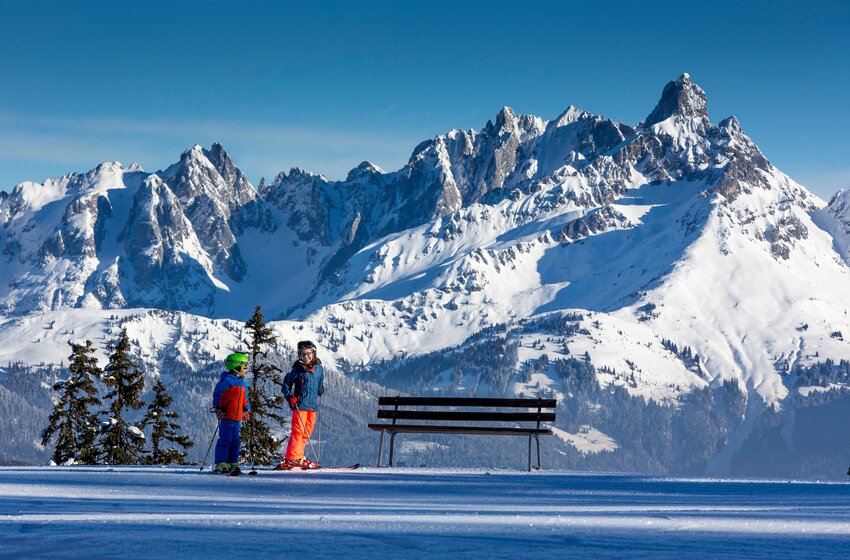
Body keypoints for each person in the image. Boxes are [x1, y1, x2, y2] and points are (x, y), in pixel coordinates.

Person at [277, 341, 324, 469]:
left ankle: (298, 457)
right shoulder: (297, 369)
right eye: (303, 354)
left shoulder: (319, 368)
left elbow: (320, 383)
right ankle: (292, 458)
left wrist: (321, 390)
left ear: (314, 353)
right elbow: (286, 385)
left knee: (306, 433)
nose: (306, 356)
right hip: (300, 405)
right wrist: (290, 397)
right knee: (298, 431)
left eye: (309, 353)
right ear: (299, 355)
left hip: (312, 406)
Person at [212, 352, 251, 475]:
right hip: (227, 416)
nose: (246, 369)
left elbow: (245, 399)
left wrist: (246, 409)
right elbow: (218, 395)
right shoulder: (226, 381)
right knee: (226, 439)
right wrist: (219, 408)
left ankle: (233, 462)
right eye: (244, 366)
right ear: (236, 366)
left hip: (237, 417)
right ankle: (221, 462)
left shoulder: (242, 383)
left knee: (235, 440)